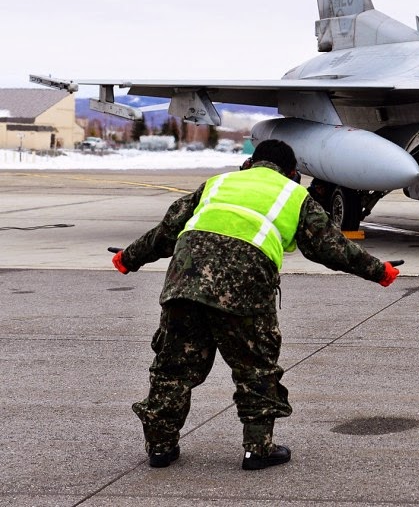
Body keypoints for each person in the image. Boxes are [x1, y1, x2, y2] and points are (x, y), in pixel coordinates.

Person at [111, 139, 402, 470]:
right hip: (244, 288)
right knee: (255, 368)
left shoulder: (217, 184)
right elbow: (331, 247)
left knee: (173, 368)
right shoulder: (294, 195)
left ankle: (160, 447)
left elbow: (165, 232)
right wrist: (380, 271)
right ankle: (257, 449)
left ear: (250, 162)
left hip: (184, 283)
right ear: (292, 173)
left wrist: (127, 259)